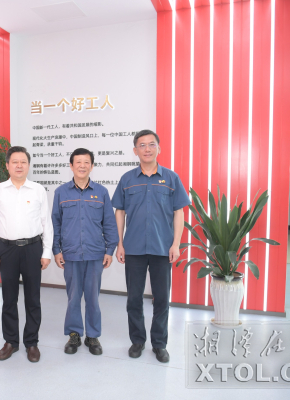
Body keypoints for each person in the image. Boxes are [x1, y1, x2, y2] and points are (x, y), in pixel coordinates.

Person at [111, 130, 190, 363]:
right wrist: (120, 244)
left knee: (162, 299)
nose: (147, 149)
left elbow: (179, 212)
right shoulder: (127, 179)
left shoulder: (171, 178)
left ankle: (159, 343)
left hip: (162, 248)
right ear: (135, 150)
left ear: (159, 148)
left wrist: (176, 244)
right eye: (142, 145)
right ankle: (137, 341)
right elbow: (119, 212)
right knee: (134, 298)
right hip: (134, 248)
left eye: (151, 144)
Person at [0, 146, 53, 363]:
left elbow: (46, 222)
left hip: (33, 248)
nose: (19, 166)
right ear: (7, 165)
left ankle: (31, 342)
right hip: (7, 250)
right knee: (9, 298)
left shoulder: (38, 190)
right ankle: (11, 341)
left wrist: (47, 252)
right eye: (15, 162)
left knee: (33, 299)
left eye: (23, 162)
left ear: (28, 165)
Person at [52, 148, 118, 356]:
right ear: (71, 166)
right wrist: (56, 250)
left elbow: (109, 223)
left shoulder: (101, 192)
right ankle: (74, 334)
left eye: (86, 162)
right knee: (73, 297)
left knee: (92, 298)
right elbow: (55, 223)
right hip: (70, 254)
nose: (82, 165)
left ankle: (92, 335)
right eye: (78, 162)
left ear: (92, 166)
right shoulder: (61, 192)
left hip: (95, 253)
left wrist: (110, 249)